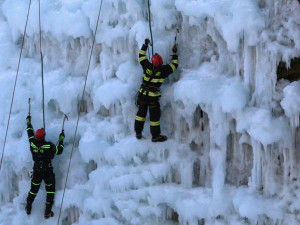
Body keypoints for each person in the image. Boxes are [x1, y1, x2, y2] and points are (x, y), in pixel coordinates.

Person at [135, 38, 178, 142]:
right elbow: (174, 65)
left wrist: (145, 45)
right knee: (154, 117)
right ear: (161, 63)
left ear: (152, 62)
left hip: (142, 94)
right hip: (152, 97)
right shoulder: (163, 70)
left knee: (141, 114)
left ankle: (138, 133)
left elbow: (141, 56)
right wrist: (174, 53)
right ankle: (155, 136)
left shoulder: (147, 66)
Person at [25, 115, 65, 219]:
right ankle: (47, 212)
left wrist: (28, 123)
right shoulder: (49, 146)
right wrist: (61, 139)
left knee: (34, 189)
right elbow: (59, 150)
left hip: (37, 170)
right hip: (47, 170)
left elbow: (30, 134)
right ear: (44, 136)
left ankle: (28, 206)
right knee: (50, 190)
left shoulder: (33, 144)